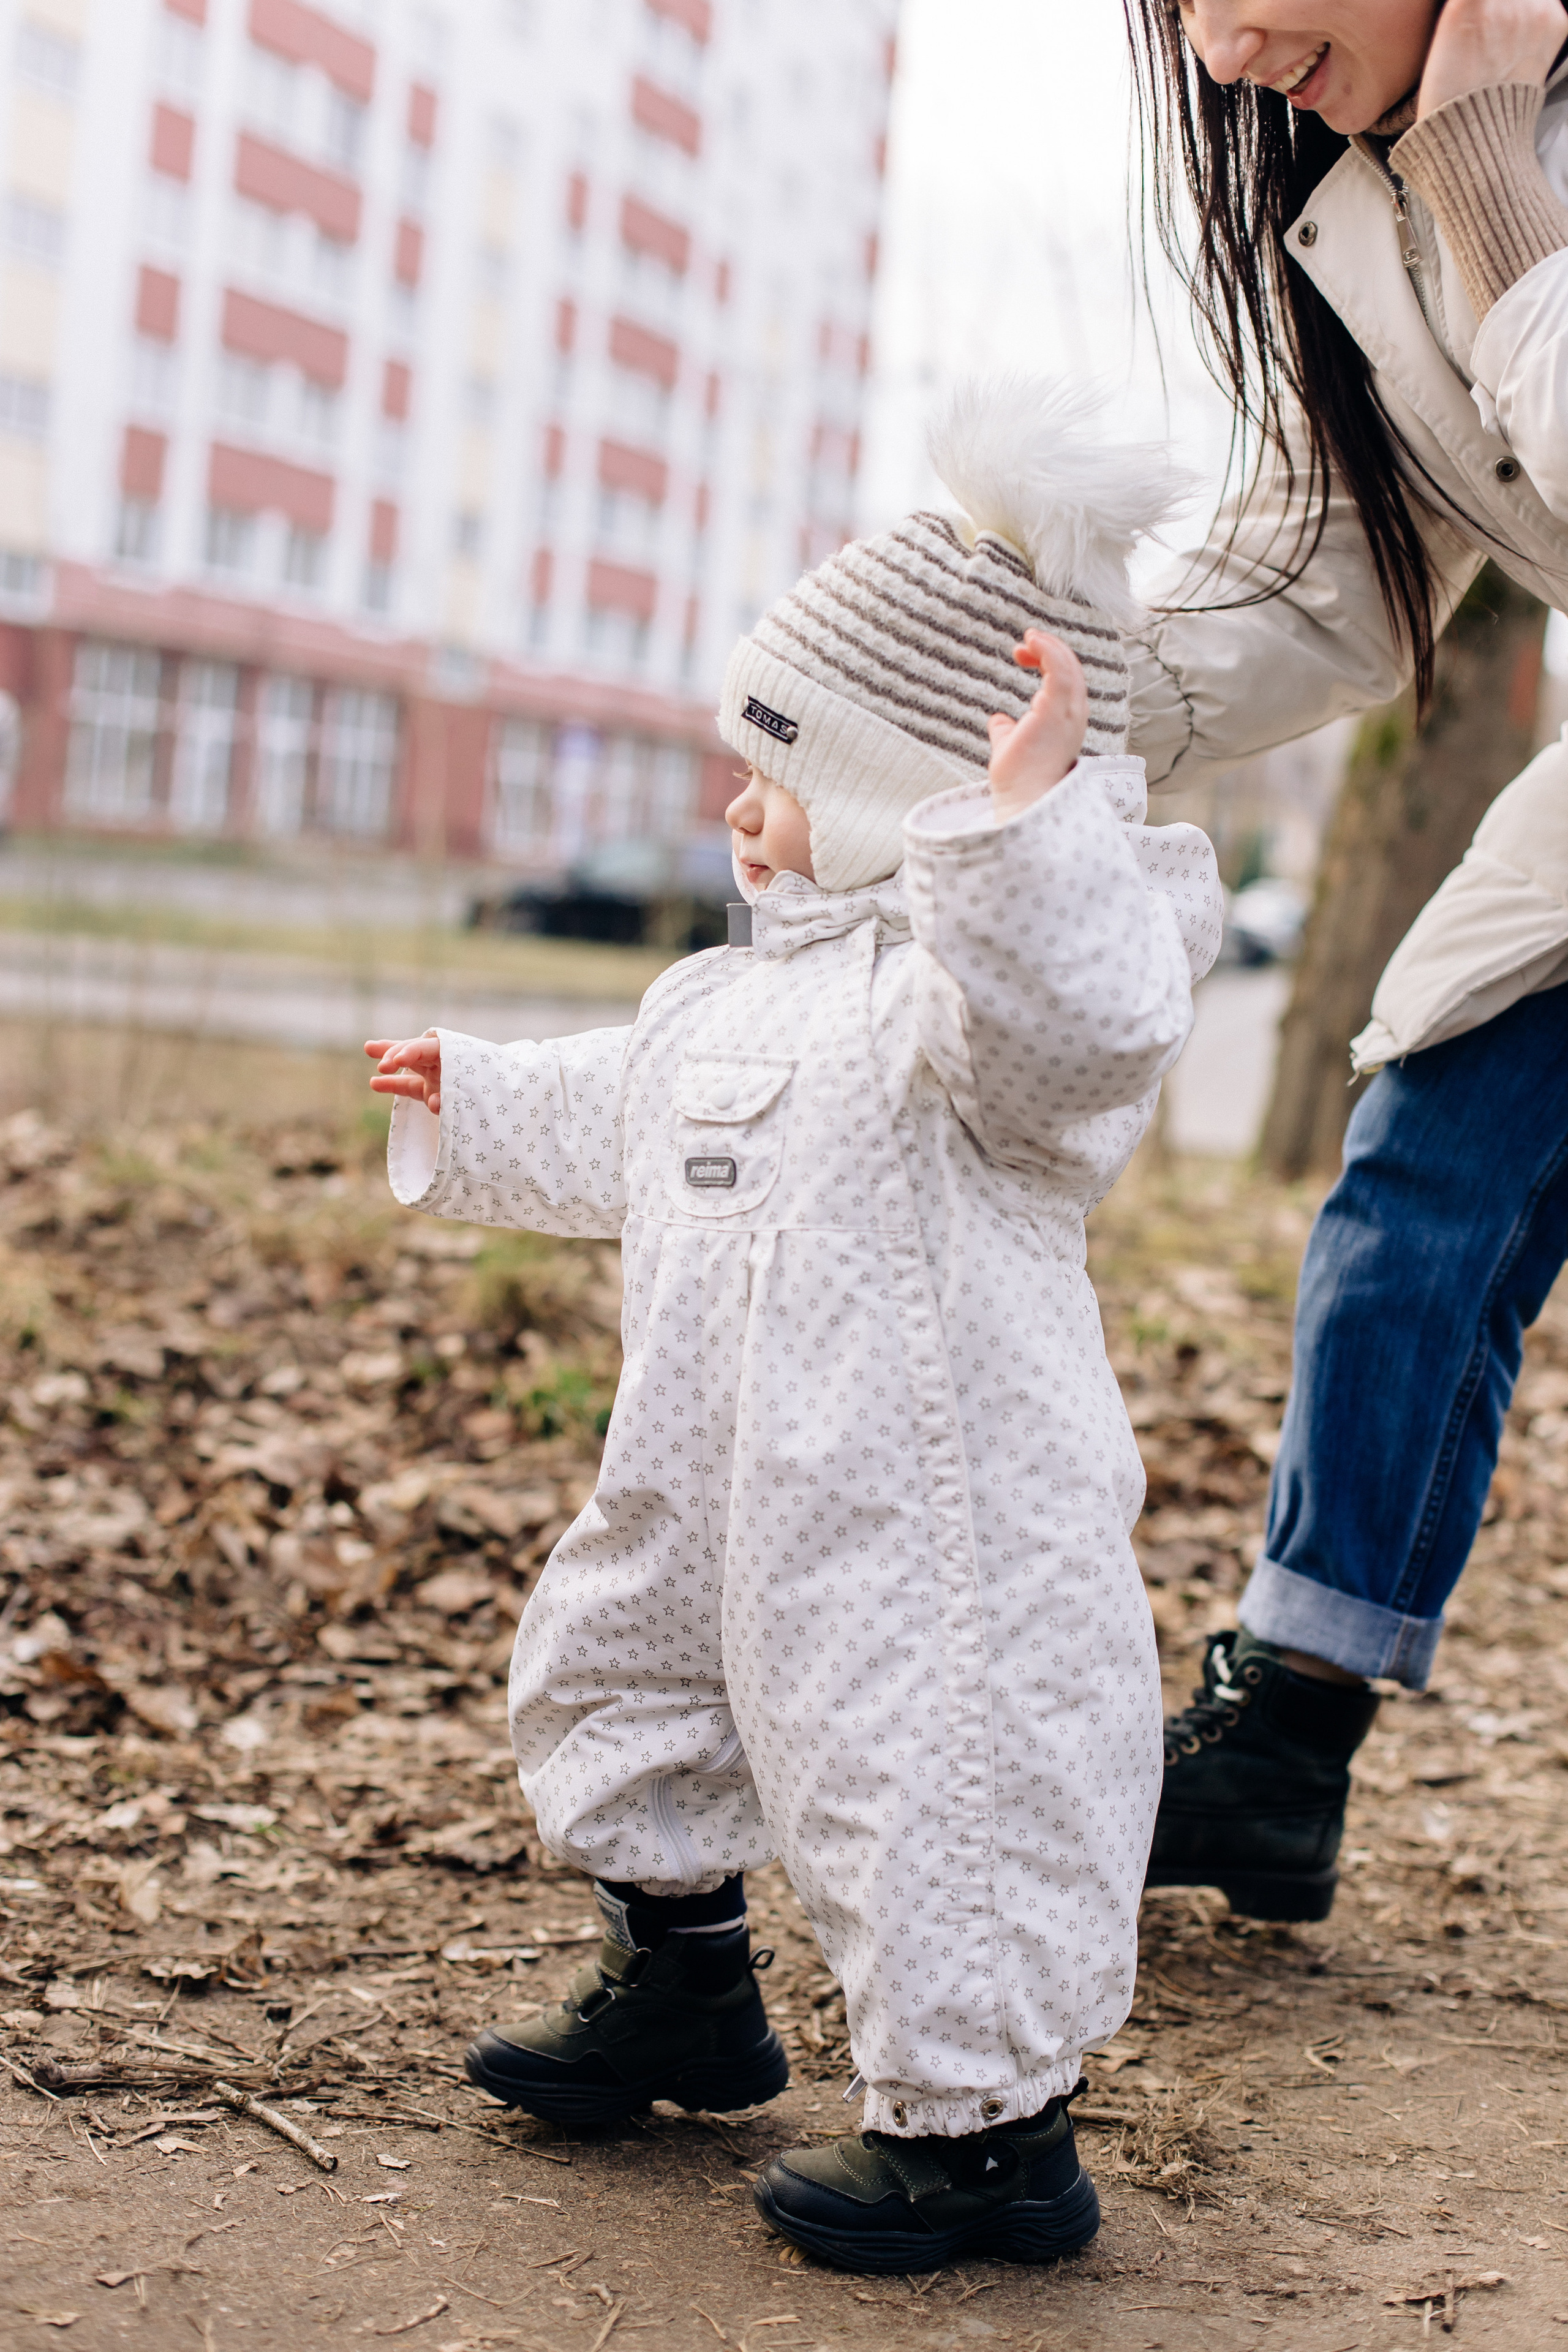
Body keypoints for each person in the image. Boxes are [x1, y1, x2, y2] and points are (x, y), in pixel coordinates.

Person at [364, 380, 1223, 2275]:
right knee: (615, 1682)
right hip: (705, 1482)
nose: (734, 806)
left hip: (927, 1524)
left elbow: (1085, 1028)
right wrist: (479, 1093)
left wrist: (1014, 840)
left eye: (779, 771)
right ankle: (676, 1980)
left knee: (943, 1784)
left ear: (898, 803)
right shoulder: (720, 999)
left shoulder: (969, 1016)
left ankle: (988, 2131)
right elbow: (633, 1117)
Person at [1119, 0, 1568, 1924]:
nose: (1224, 47)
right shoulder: (1377, 201)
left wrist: (1500, 203)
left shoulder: (1479, 159)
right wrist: (1025, 696)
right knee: (1423, 1189)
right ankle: (1288, 1733)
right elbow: (1327, 568)